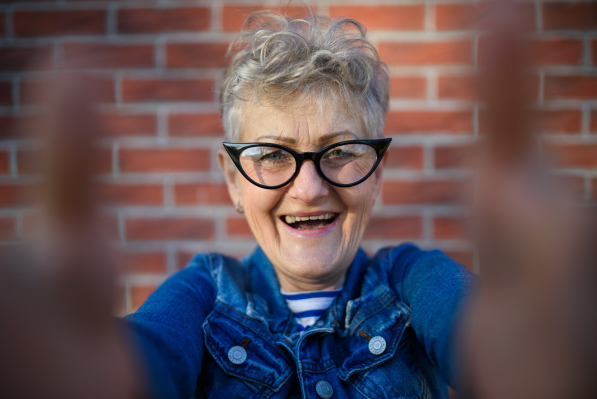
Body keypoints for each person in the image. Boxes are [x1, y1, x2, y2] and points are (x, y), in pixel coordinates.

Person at [123, 10, 476, 399]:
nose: (308, 190)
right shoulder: (204, 295)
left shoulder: (413, 281)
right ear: (233, 180)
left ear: (375, 175)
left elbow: (483, 336)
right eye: (272, 156)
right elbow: (143, 359)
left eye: (340, 152)